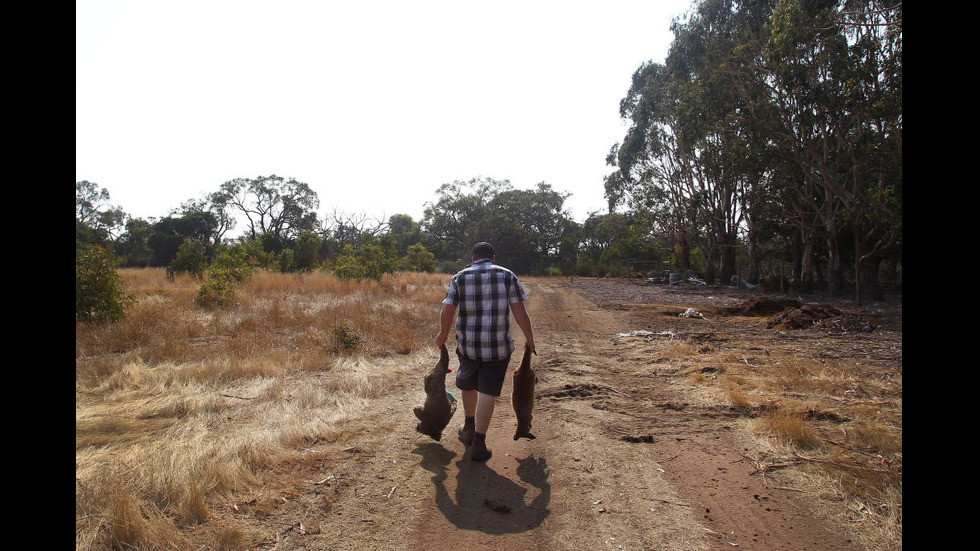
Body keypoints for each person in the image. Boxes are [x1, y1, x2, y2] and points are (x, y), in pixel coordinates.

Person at [435, 242, 535, 461]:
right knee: (488, 392)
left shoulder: (460, 277)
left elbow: (448, 309)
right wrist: (530, 338)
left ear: (473, 259)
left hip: (468, 345)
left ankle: (469, 426)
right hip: (498, 348)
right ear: (493, 258)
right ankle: (479, 442)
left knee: (468, 383)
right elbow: (519, 311)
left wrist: (442, 334)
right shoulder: (508, 275)